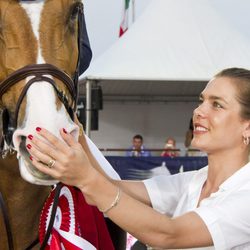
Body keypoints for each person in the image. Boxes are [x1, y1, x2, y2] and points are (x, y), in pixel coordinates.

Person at [26, 67, 250, 249]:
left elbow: (169, 234)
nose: (199, 111)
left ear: (247, 128)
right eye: (202, 100)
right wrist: (78, 134)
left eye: (217, 104)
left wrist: (86, 178)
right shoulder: (194, 181)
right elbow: (113, 188)